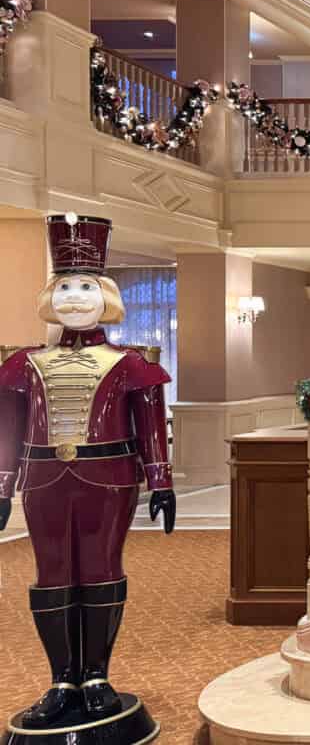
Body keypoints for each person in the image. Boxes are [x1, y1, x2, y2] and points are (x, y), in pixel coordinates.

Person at [0, 213, 175, 730]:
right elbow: (7, 431)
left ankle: (97, 676)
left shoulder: (132, 363)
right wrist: (3, 485)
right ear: (50, 296)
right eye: (65, 287)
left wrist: (161, 483)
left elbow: (151, 429)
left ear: (106, 295)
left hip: (110, 480)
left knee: (100, 569)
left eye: (85, 287)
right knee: (51, 574)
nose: (74, 297)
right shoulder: (23, 364)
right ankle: (61, 679)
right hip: (44, 480)